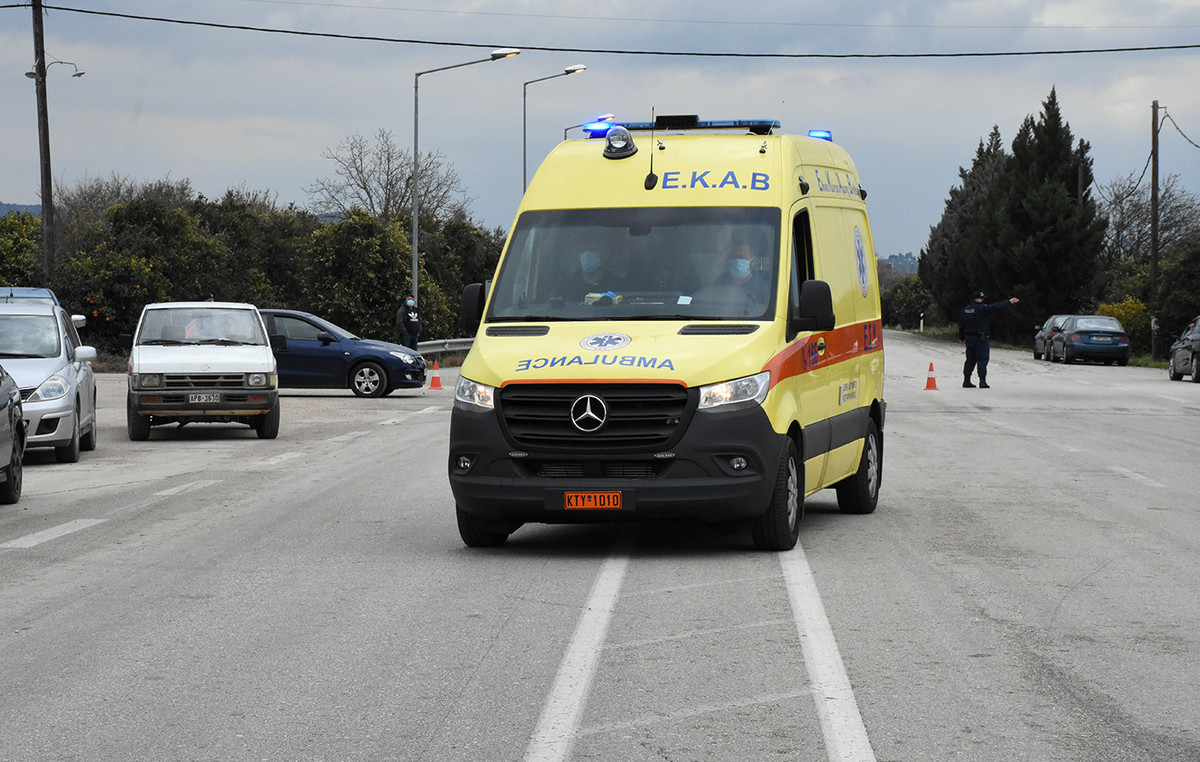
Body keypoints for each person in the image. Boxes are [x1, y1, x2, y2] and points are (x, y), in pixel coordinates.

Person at [959, 290, 1019, 388]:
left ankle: (966, 380)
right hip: (980, 338)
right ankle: (982, 381)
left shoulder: (965, 310)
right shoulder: (982, 308)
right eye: (982, 299)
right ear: (978, 299)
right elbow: (996, 306)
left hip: (969, 338)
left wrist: (961, 338)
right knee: (982, 359)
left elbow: (961, 325)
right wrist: (1009, 302)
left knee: (970, 359)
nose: (983, 300)